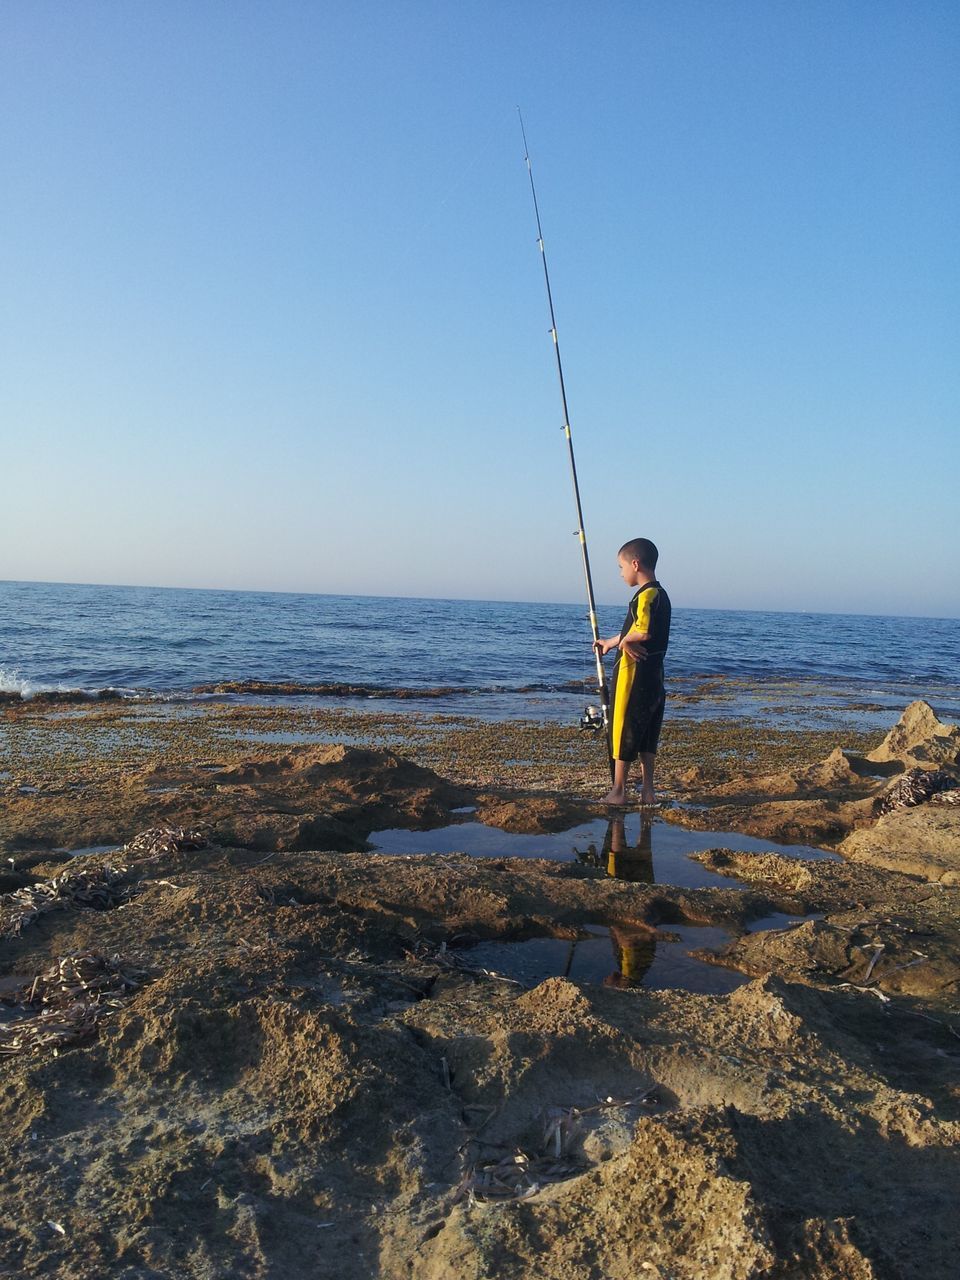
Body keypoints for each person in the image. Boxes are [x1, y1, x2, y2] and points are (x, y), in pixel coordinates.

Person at [594, 537, 671, 806]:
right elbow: (636, 630)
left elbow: (643, 631)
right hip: (654, 676)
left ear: (635, 564)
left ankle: (618, 791)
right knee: (648, 732)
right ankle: (648, 791)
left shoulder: (645, 595)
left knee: (623, 729)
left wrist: (626, 642)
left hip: (633, 676)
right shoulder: (661, 594)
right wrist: (611, 642)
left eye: (621, 566)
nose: (620, 573)